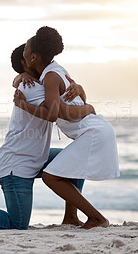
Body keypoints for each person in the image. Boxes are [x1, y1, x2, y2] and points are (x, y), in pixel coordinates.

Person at [0, 44, 94, 229]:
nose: (38, 57)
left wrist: (78, 89)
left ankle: (71, 217)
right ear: (26, 62)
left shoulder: (43, 81)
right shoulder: (30, 87)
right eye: (32, 55)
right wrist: (88, 109)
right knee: (17, 224)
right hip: (16, 164)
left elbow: (74, 97)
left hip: (37, 157)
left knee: (75, 160)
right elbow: (54, 113)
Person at [14, 26, 120, 229]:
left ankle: (97, 218)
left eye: (26, 48)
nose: (24, 50)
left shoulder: (51, 77)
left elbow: (55, 113)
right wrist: (20, 77)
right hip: (96, 129)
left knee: (50, 177)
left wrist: (23, 105)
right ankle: (71, 217)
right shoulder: (56, 71)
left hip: (94, 132)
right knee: (70, 167)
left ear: (34, 57)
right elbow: (77, 100)